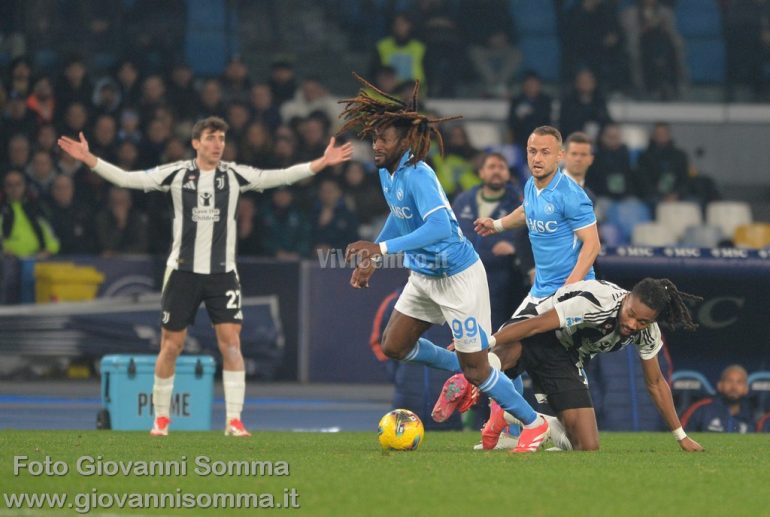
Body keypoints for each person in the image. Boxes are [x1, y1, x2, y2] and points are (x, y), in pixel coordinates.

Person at [58, 116, 353, 437]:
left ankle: (234, 421)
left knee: (231, 345)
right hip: (182, 272)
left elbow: (280, 177)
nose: (217, 145)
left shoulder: (234, 174)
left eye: (222, 139)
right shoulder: (176, 173)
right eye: (211, 138)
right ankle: (160, 419)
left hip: (222, 275)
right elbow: (129, 180)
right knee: (171, 346)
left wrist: (322, 163)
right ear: (196, 143)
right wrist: (90, 160)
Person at [339, 74, 549, 453]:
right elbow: (400, 216)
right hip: (423, 275)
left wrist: (381, 250)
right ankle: (462, 368)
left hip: (457, 276)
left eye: (384, 139)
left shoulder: (418, 173)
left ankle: (534, 424)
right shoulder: (387, 173)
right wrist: (375, 252)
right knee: (395, 345)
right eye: (374, 139)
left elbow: (438, 227)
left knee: (480, 369)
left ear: (404, 142)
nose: (376, 145)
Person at [435, 125, 600, 449]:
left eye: (545, 152)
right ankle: (508, 422)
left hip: (571, 297)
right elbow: (527, 211)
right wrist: (497, 225)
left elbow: (592, 245)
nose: (537, 159)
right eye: (532, 152)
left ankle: (513, 416)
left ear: (560, 156)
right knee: (506, 352)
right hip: (539, 293)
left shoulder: (571, 195)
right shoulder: (530, 185)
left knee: (520, 354)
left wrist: (570, 288)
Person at [453, 277, 706, 452]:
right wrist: (487, 341)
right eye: (631, 314)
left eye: (642, 321)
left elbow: (655, 383)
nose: (633, 325)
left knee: (587, 446)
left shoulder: (648, 332)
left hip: (565, 355)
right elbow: (538, 325)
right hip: (536, 327)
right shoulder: (597, 303)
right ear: (627, 298)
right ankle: (469, 375)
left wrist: (681, 437)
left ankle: (520, 417)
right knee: (492, 359)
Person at [681, 365, 756, 434]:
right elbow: (681, 435)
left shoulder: (751, 414)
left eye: (739, 382)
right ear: (719, 385)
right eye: (729, 381)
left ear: (746, 389)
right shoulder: (702, 409)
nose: (734, 387)